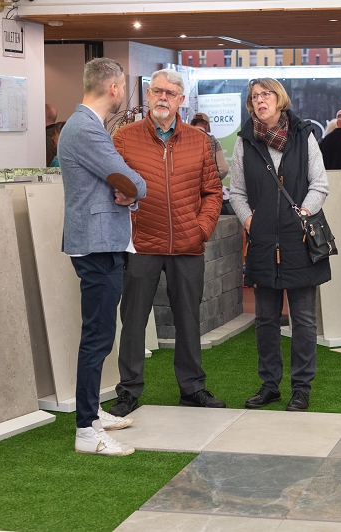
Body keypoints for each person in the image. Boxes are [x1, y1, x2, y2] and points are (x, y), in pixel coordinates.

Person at [108, 69, 225, 417]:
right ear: (148, 95)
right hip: (141, 244)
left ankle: (193, 388)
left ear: (181, 100)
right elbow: (110, 187)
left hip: (187, 246)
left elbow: (213, 192)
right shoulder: (124, 138)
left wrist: (201, 229)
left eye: (171, 93)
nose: (163, 97)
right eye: (158, 91)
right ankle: (128, 392)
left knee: (188, 320)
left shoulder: (199, 141)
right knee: (133, 321)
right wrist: (128, 222)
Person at [59, 57, 147, 456]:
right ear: (114, 87)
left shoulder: (86, 125)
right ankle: (86, 430)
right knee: (97, 337)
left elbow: (121, 182)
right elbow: (130, 180)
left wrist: (129, 191)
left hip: (102, 242)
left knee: (99, 334)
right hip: (96, 245)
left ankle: (91, 411)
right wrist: (134, 190)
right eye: (123, 85)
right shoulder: (84, 128)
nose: (123, 92)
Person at [229, 78, 330, 412]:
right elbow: (237, 192)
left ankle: (301, 388)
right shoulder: (245, 141)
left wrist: (303, 214)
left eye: (266, 94)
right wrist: (250, 221)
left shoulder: (304, 135)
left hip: (298, 241)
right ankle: (270, 385)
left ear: (279, 99)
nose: (260, 100)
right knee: (266, 320)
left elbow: (320, 184)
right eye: (254, 96)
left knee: (304, 321)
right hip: (262, 243)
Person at [191, 112, 229, 179]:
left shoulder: (183, 139)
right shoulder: (213, 141)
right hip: (208, 182)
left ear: (191, 124)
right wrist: (214, 179)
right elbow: (224, 169)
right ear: (206, 125)